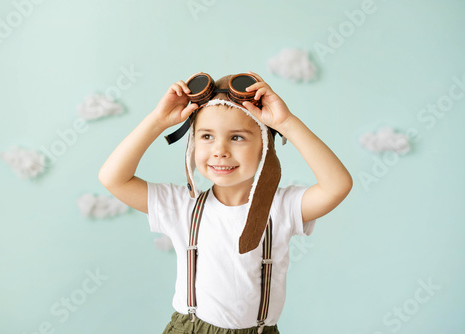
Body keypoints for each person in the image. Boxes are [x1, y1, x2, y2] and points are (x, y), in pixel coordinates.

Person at [98, 71, 353, 333]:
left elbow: (337, 185)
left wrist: (286, 122)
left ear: (265, 145)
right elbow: (113, 178)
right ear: (193, 143)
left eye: (237, 137)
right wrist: (158, 121)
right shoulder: (182, 206)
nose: (220, 150)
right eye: (207, 136)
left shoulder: (283, 207)